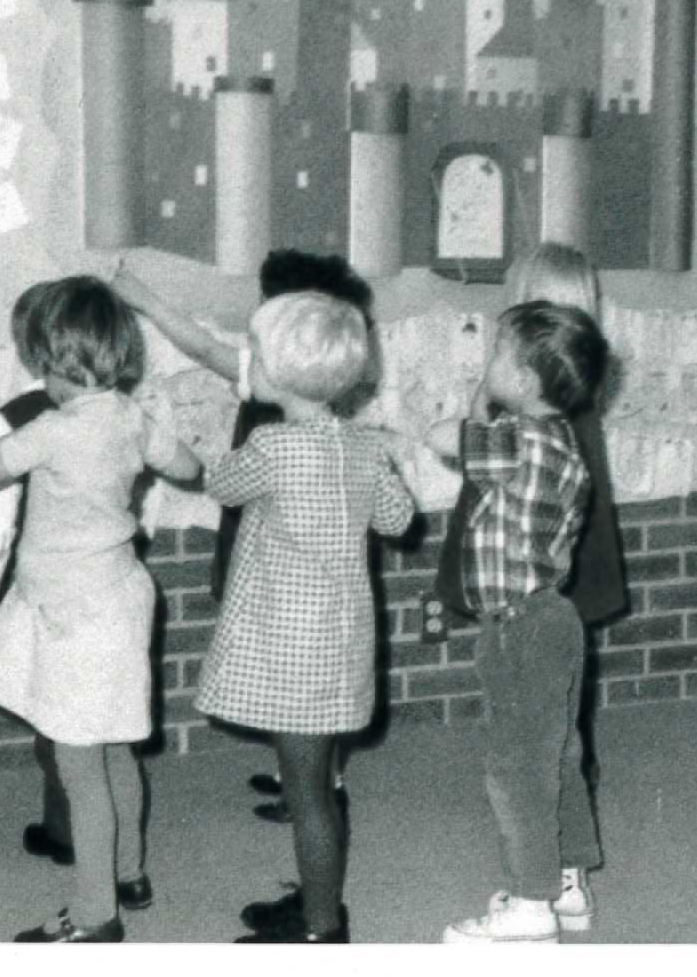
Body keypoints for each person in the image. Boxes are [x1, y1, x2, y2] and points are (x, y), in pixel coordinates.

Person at [0, 276, 204, 944]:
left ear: (50, 358)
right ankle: (130, 872)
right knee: (115, 747)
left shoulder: (49, 429)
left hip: (74, 612)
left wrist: (9, 439)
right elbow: (188, 467)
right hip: (121, 598)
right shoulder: (132, 417)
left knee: (79, 768)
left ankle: (96, 914)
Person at [112, 248, 377, 824]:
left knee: (295, 643)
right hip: (275, 523)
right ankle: (297, 770)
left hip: (282, 528)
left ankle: (320, 782)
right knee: (294, 649)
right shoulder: (299, 383)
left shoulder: (276, 377)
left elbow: (202, 347)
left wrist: (143, 299)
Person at [200, 290, 414, 944]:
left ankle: (321, 926)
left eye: (255, 352)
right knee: (316, 784)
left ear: (278, 373)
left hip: (291, 651)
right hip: (340, 644)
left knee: (307, 796)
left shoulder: (271, 446)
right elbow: (398, 519)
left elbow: (219, 484)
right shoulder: (364, 445)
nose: (249, 362)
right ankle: (317, 898)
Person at [432, 302, 610, 944]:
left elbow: (442, 437)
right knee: (558, 755)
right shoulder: (562, 443)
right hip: (553, 617)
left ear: (527, 380)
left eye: (497, 355)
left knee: (517, 767)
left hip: (520, 628)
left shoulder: (513, 442)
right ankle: (566, 883)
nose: (488, 363)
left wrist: (479, 398)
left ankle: (532, 906)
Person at [0, 282, 71, 869]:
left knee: (53, 711)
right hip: (107, 580)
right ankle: (110, 837)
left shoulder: (15, 419)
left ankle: (66, 827)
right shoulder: (121, 411)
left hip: (43, 586)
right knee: (97, 713)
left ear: (27, 351)